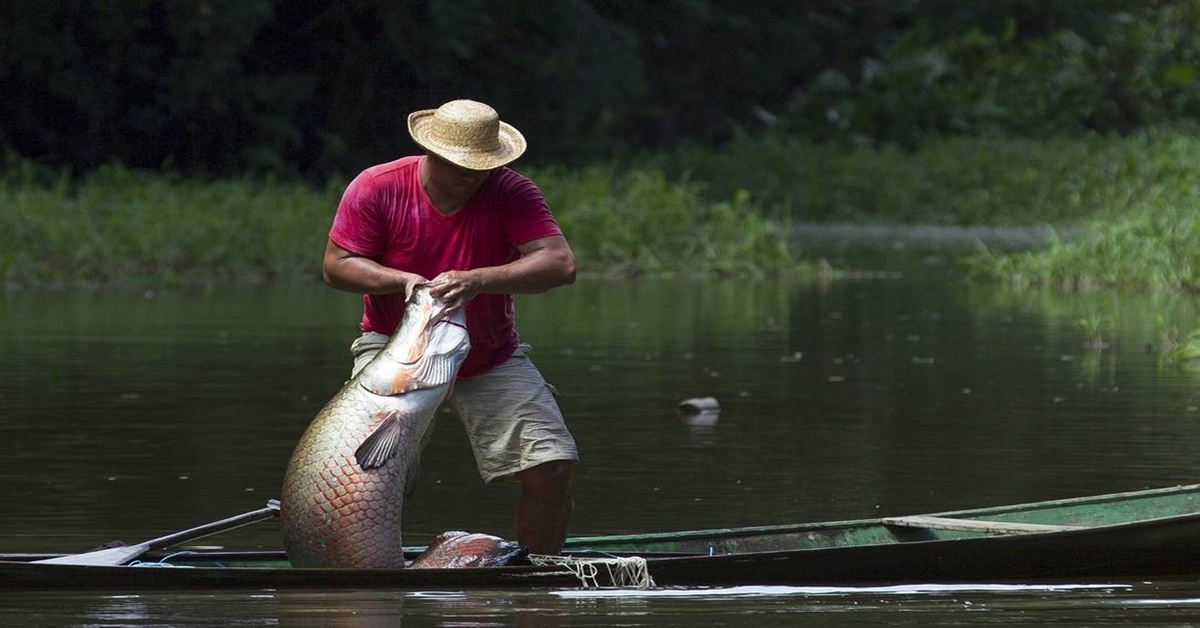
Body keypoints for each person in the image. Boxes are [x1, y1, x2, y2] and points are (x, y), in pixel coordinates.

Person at [321, 99, 578, 555]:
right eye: (460, 167)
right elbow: (337, 266)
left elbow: (559, 264)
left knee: (551, 467)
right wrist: (401, 281)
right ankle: (359, 570)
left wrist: (479, 279)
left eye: (481, 167)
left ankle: (539, 575)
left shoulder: (511, 191)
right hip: (394, 350)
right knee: (359, 474)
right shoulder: (378, 186)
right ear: (431, 153)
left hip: (488, 353)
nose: (471, 176)